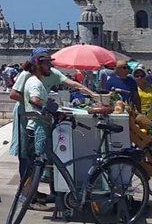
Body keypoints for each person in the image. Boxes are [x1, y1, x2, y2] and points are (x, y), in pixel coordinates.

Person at [9, 48, 97, 185]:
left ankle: (40, 186)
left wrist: (93, 94)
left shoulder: (51, 73)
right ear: (38, 63)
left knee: (40, 154)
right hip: (25, 115)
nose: (50, 64)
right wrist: (32, 103)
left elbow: (72, 83)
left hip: (40, 114)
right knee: (26, 154)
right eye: (47, 61)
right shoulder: (28, 76)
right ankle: (27, 192)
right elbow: (13, 94)